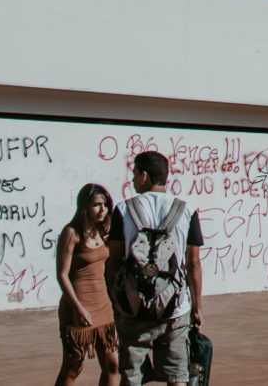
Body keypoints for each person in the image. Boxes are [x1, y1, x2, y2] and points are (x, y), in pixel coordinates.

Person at [108, 151, 203, 386]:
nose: (132, 180)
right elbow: (193, 263)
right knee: (177, 375)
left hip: (133, 306)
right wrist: (197, 306)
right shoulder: (187, 210)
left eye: (134, 174)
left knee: (132, 375)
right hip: (175, 308)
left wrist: (116, 300)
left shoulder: (123, 209)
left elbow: (114, 260)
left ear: (144, 175)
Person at [55, 183, 120, 385]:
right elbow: (62, 275)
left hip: (103, 304)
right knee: (74, 366)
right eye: (97, 205)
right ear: (84, 206)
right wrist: (79, 308)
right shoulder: (71, 233)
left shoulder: (104, 232)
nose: (103, 210)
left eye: (106, 205)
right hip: (78, 306)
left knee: (112, 365)